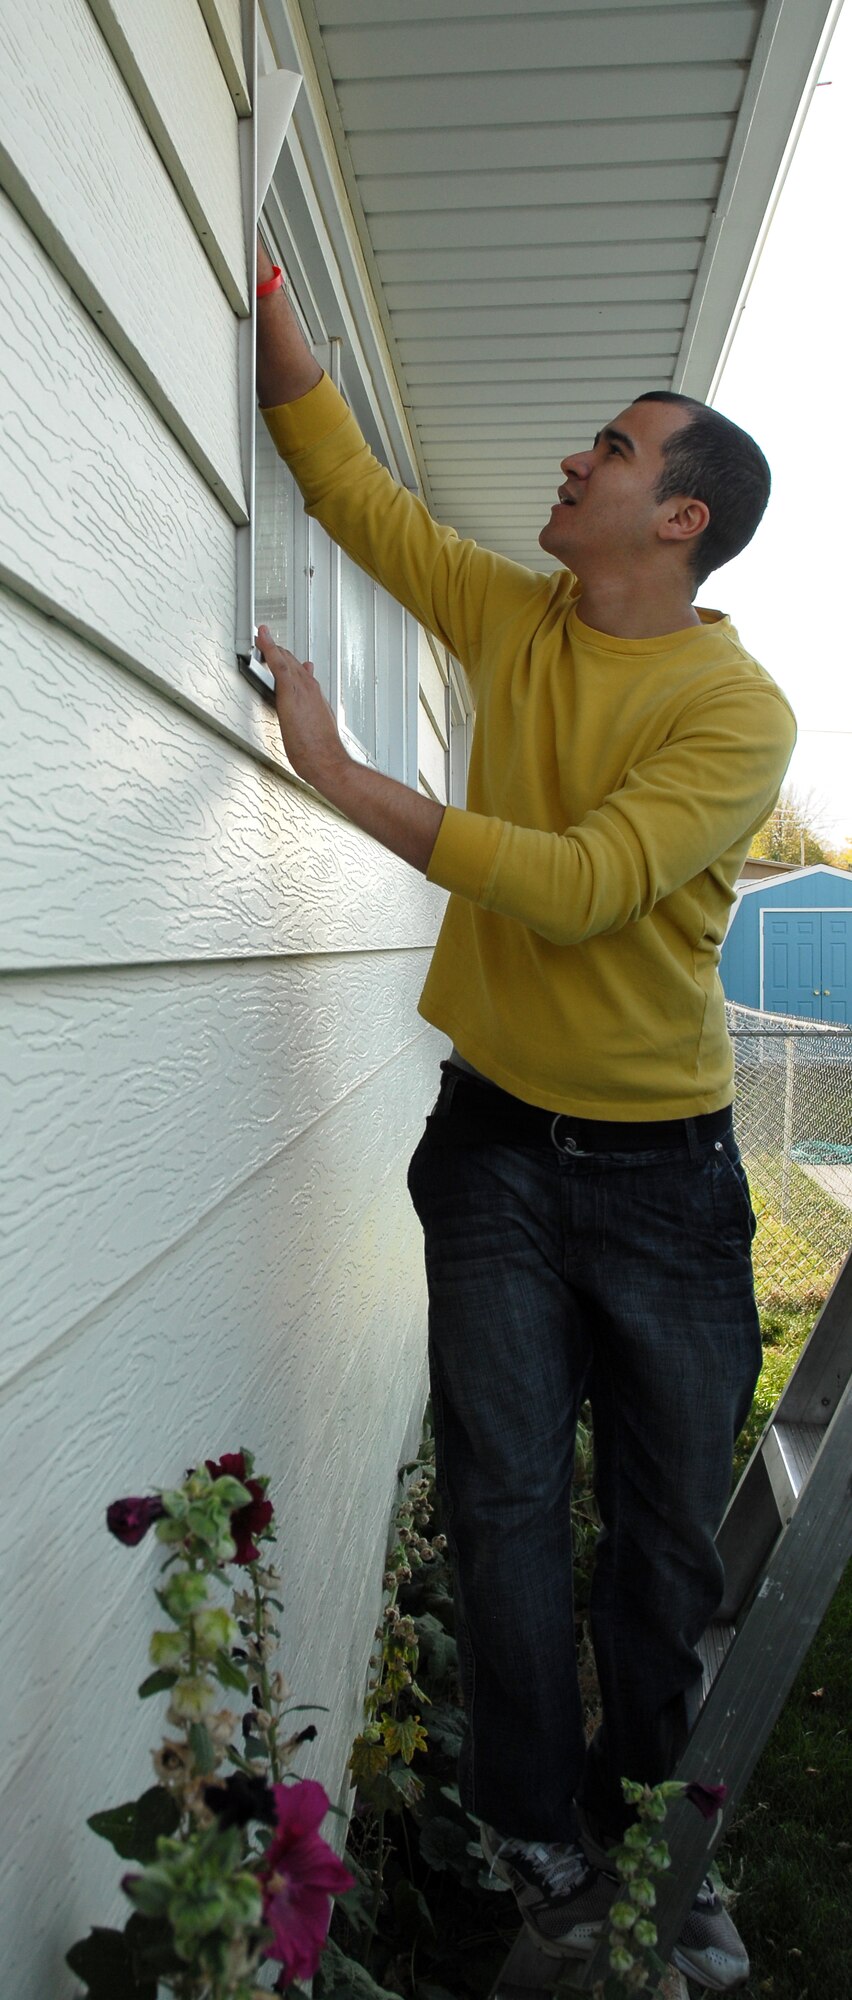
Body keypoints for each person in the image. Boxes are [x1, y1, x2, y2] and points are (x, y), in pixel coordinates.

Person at [254, 238, 795, 1991]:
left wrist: (347, 779)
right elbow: (351, 488)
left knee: (659, 1541)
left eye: (613, 449)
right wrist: (272, 293)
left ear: (681, 520)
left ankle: (660, 1838)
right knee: (499, 1506)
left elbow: (580, 887)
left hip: (664, 1187)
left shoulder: (735, 710)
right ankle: (538, 1835)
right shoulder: (516, 614)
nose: (577, 456)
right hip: (494, 1148)